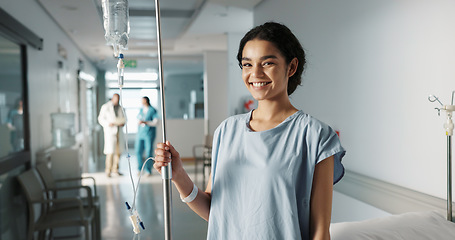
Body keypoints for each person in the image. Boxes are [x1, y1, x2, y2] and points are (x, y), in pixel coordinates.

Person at [154, 22, 345, 240]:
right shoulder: (227, 130)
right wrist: (178, 175)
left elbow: (320, 232)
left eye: (267, 63)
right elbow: (214, 211)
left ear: (291, 67)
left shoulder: (314, 136)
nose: (255, 73)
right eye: (247, 65)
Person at [98, 93, 125, 177]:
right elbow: (100, 119)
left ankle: (115, 169)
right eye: (116, 99)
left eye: (118, 99)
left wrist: (123, 123)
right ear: (112, 99)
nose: (117, 100)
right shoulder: (105, 107)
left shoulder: (121, 108)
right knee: (110, 152)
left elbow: (124, 118)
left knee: (118, 152)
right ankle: (108, 170)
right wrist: (108, 124)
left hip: (118, 131)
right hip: (110, 131)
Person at [135, 96, 158, 176]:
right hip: (140, 133)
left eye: (143, 101)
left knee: (148, 152)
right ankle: (139, 168)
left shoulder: (152, 110)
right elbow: (138, 119)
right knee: (138, 151)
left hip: (149, 134)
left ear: (147, 101)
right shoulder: (141, 110)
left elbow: (155, 122)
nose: (142, 102)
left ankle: (148, 170)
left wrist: (146, 122)